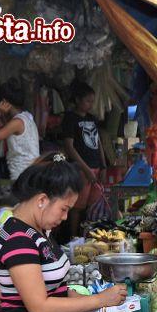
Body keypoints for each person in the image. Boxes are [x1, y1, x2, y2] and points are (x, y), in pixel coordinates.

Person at [0, 154, 126, 312]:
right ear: (42, 200)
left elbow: (52, 287)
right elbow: (39, 307)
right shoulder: (19, 239)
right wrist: (100, 300)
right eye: (64, 209)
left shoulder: (38, 232)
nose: (66, 217)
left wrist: (77, 298)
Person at [61, 81, 106, 236]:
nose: (90, 104)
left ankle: (87, 236)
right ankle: (74, 238)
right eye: (88, 101)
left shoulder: (92, 118)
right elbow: (69, 147)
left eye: (92, 101)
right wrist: (86, 170)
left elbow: (98, 142)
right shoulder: (70, 119)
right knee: (77, 206)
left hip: (95, 166)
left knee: (91, 205)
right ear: (77, 100)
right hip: (80, 168)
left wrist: (103, 165)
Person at [0, 77, 40, 181]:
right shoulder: (28, 117)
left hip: (21, 173)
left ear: (4, 102)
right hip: (31, 172)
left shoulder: (17, 122)